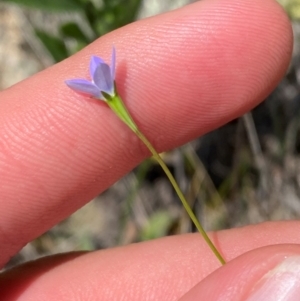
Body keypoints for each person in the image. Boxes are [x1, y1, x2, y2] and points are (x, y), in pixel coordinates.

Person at [0, 0, 295, 300]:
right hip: (110, 96)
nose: (97, 70)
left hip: (110, 96)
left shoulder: (105, 84)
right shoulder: (103, 83)